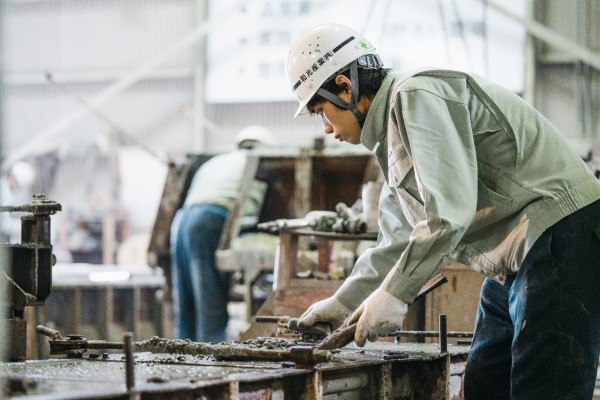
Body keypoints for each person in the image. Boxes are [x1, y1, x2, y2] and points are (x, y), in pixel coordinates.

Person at [285, 23, 600, 399]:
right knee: (485, 383)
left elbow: (448, 212)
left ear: (345, 86)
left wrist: (395, 295)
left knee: (543, 389)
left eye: (322, 111)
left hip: (559, 234)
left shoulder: (416, 95)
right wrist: (343, 302)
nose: (326, 128)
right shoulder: (392, 135)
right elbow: (396, 240)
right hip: (518, 253)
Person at [170, 125, 273, 343]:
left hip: (181, 220)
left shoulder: (217, 161)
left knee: (186, 299)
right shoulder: (258, 162)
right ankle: (210, 359)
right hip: (209, 219)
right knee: (209, 297)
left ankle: (181, 355)